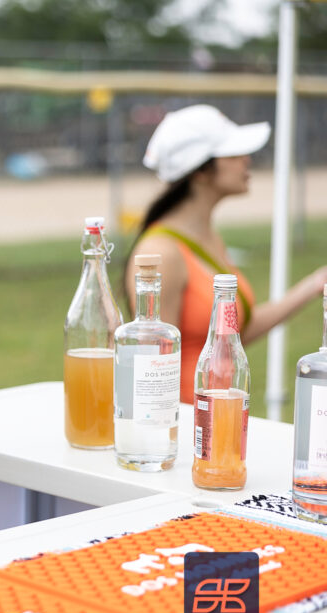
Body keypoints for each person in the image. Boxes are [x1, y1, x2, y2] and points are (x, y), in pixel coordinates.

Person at [124, 104, 327, 403]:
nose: (247, 159)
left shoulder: (207, 237)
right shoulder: (161, 252)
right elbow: (152, 370)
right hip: (187, 424)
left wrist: (314, 284)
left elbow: (232, 335)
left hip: (219, 418)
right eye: (233, 153)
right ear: (201, 171)